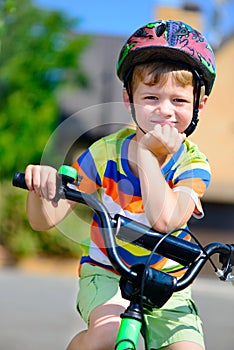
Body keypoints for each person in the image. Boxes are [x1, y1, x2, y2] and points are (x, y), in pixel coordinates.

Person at [24, 20, 216, 350]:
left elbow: (164, 220)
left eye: (180, 101)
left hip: (166, 280)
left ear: (199, 105)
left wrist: (146, 157)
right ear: (129, 99)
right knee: (107, 335)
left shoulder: (192, 165)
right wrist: (41, 187)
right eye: (151, 97)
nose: (165, 111)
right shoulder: (102, 155)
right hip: (107, 272)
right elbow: (44, 220)